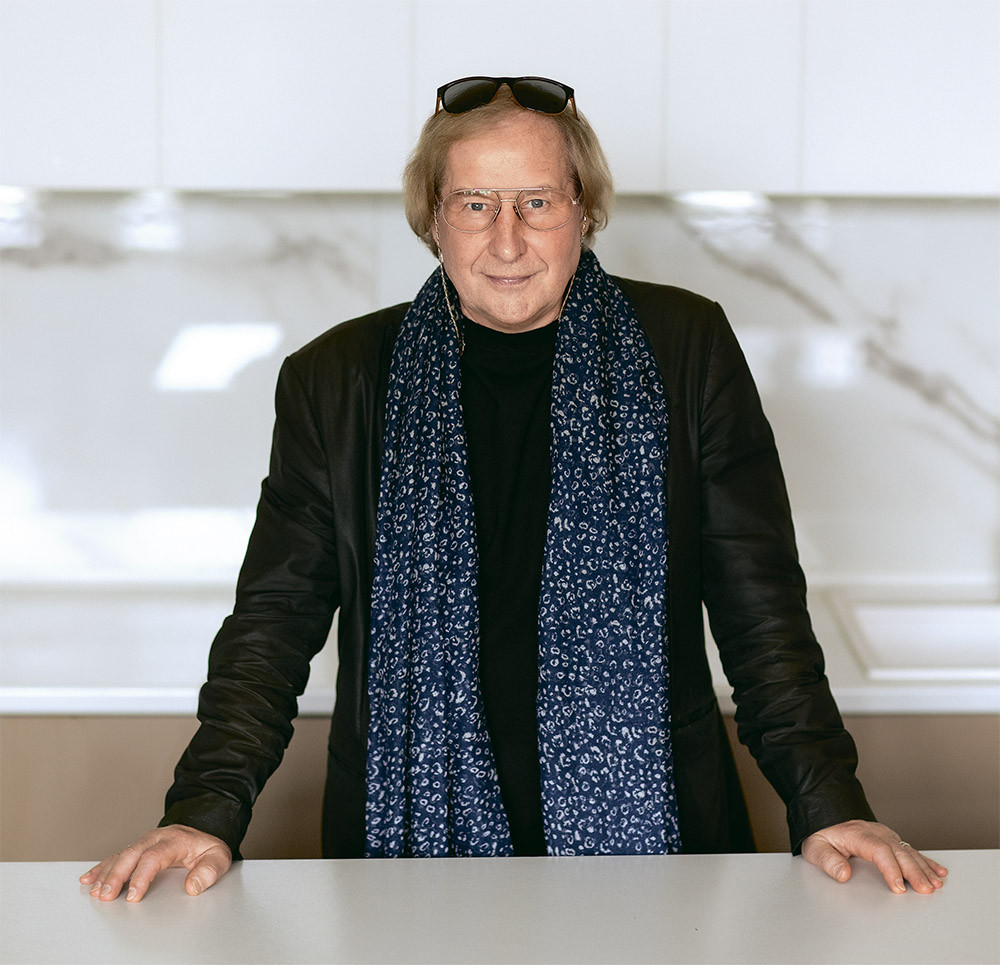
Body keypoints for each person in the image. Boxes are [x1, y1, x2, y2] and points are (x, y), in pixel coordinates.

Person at [82, 76, 947, 902]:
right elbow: (272, 625)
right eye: (474, 205)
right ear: (432, 219)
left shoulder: (686, 349)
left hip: (657, 841)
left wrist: (829, 802)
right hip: (411, 850)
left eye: (537, 202)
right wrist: (201, 810)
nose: (506, 242)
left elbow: (763, 616)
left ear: (584, 212)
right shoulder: (338, 380)